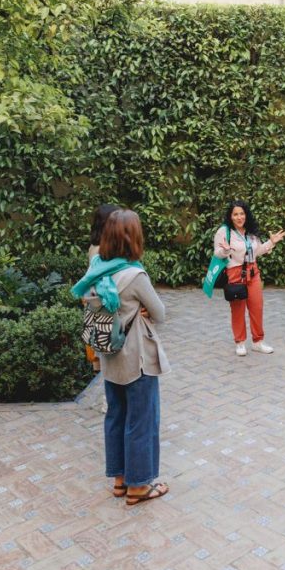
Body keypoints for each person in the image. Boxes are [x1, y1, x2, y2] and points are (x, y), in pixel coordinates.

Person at [71, 208, 171, 504]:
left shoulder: (95, 272)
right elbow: (160, 314)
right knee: (141, 419)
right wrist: (139, 309)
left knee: (116, 415)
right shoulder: (134, 275)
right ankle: (139, 486)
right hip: (136, 357)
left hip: (109, 356)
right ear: (133, 238)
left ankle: (119, 480)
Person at [213, 200, 285, 357]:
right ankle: (240, 342)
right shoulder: (224, 232)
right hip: (235, 272)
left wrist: (271, 242)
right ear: (230, 216)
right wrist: (225, 251)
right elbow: (217, 253)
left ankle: (258, 342)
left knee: (256, 307)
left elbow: (257, 251)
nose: (239, 217)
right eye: (235, 214)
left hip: (253, 272)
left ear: (246, 215)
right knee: (238, 309)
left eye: (242, 214)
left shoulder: (250, 231)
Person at [84, 204, 120, 373]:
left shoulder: (95, 246)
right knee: (108, 354)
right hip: (104, 308)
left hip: (98, 306)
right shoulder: (100, 250)